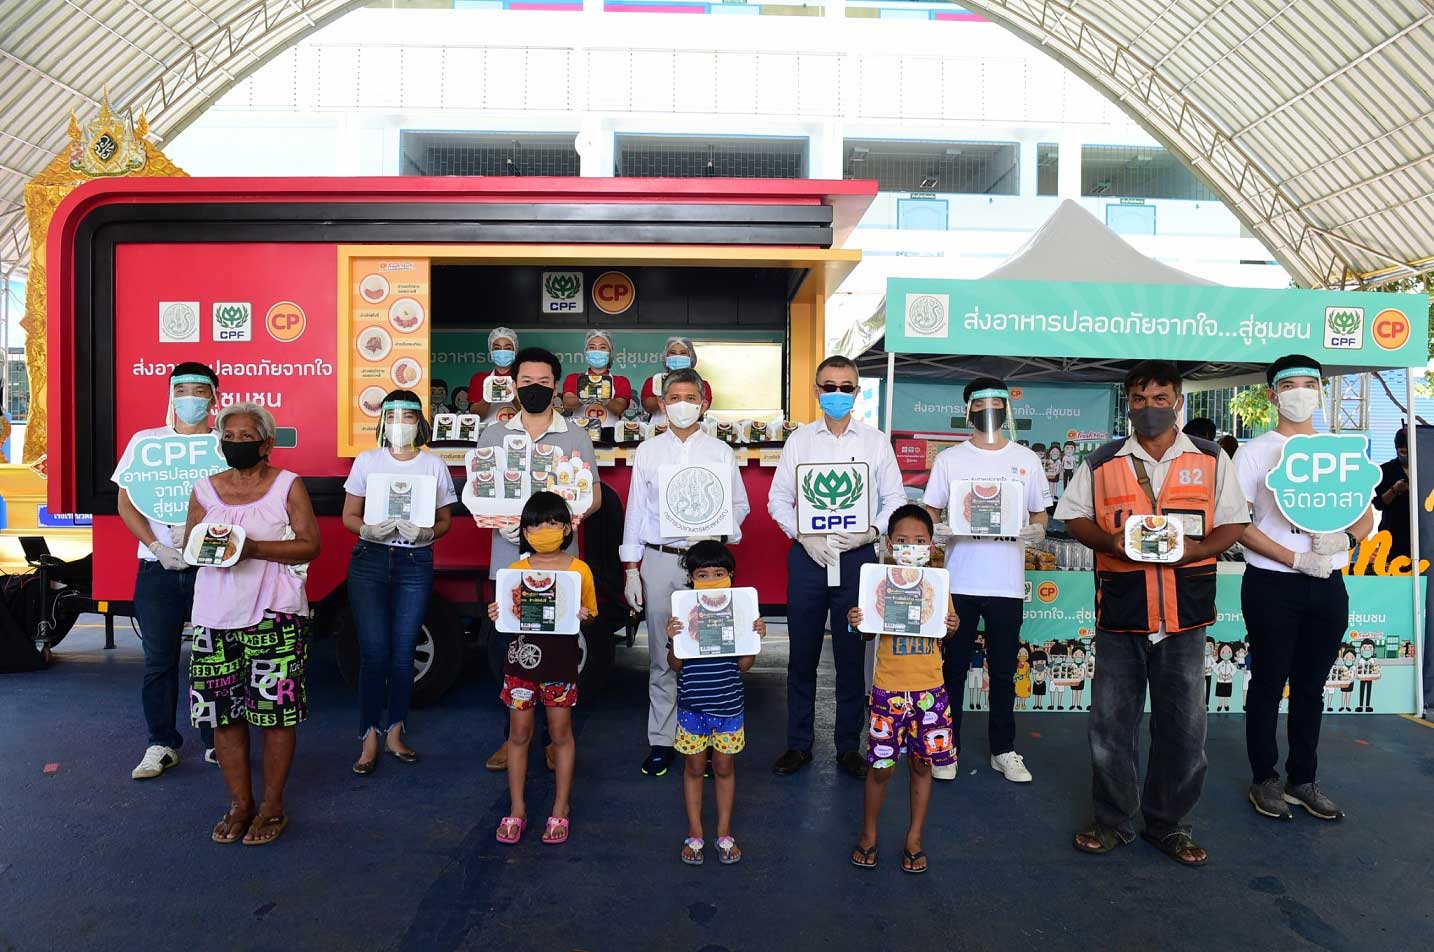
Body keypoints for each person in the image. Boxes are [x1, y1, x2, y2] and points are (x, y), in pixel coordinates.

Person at [1058, 360, 1248, 867]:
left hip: (1185, 615)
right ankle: (1114, 821)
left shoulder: (1211, 459)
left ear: (1178, 402)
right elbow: (1073, 517)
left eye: (1159, 399)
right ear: (1129, 404)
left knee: (1185, 730)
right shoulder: (1101, 462)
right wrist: (1110, 540)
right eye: (1139, 400)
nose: (1149, 409)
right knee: (1111, 728)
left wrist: (1197, 549)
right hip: (1122, 613)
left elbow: (1234, 521)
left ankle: (1169, 825)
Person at [1235, 355, 1373, 822]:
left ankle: (1303, 779)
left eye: (1308, 384)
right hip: (1273, 583)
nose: (1299, 392)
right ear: (1272, 394)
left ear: (1321, 391)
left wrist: (1347, 538)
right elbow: (1236, 522)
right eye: (1289, 385)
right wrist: (1294, 557)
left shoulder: (1340, 451)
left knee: (1312, 686)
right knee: (1269, 682)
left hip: (1330, 583)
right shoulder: (1254, 452)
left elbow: (1365, 512)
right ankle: (1264, 778)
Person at [185, 402, 320, 845]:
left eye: (247, 437)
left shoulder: (287, 486)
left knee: (276, 716)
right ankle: (240, 804)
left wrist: (252, 548)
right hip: (214, 616)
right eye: (230, 436)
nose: (236, 443)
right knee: (223, 717)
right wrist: (214, 547)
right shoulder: (204, 489)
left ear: (266, 443)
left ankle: (272, 807)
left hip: (274, 615)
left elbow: (309, 546)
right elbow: (192, 545)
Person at [767, 355, 906, 779]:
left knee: (850, 655)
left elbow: (895, 500)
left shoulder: (875, 442)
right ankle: (798, 744)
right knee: (802, 654)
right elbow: (777, 500)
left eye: (846, 387)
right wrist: (802, 535)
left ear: (858, 392)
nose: (838, 394)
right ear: (816, 391)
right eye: (830, 387)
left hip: (857, 559)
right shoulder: (800, 441)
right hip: (808, 559)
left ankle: (849, 745)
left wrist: (870, 532)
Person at [621, 368, 750, 778]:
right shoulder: (648, 451)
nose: (682, 404)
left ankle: (710, 740)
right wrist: (630, 567)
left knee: (710, 653)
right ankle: (662, 741)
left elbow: (740, 506)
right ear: (662, 403)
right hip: (660, 558)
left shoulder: (720, 452)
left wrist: (717, 529)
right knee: (664, 652)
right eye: (674, 396)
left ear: (703, 403)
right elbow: (636, 510)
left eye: (690, 397)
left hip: (707, 565)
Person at [478, 348, 600, 773]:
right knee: (506, 647)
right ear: (513, 383)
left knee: (560, 651)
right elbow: (482, 490)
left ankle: (554, 740)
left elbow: (593, 495)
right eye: (525, 380)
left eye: (543, 382)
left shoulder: (575, 436)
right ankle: (511, 737)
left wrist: (561, 528)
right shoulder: (494, 434)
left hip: (560, 565)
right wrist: (503, 524)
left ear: (556, 385)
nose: (533, 388)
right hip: (508, 560)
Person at [922, 377, 1049, 783]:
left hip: (1006, 584)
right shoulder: (950, 460)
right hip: (960, 581)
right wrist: (935, 528)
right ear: (968, 410)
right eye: (981, 404)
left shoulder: (1025, 459)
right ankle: (947, 747)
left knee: (1004, 672)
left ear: (1007, 407)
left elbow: (1040, 514)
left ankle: (1004, 749)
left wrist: (1037, 531)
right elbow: (929, 510)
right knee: (953, 668)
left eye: (997, 402)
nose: (989, 409)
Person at [342, 391, 457, 774]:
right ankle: (368, 734)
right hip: (370, 560)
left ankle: (395, 730)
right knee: (373, 653)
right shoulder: (368, 461)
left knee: (404, 651)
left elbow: (445, 520)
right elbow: (348, 516)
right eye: (393, 416)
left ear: (420, 422)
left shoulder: (432, 465)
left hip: (414, 560)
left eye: (409, 417)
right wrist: (367, 528)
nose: (401, 424)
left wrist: (428, 535)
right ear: (383, 421)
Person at [115, 362, 220, 779]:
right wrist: (155, 545)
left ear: (214, 396)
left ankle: (217, 741)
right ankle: (161, 744)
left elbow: (240, 507)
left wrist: (202, 537)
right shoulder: (146, 443)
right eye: (184, 390)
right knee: (158, 660)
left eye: (200, 391)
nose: (191, 399)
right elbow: (126, 502)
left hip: (211, 568)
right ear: (171, 395)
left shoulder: (223, 445)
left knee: (215, 658)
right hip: (157, 569)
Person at [846, 505, 960, 874]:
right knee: (880, 769)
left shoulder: (938, 584)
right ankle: (869, 834)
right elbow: (866, 633)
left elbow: (947, 631)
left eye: (920, 541)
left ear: (931, 545)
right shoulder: (880, 583)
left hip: (931, 692)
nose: (911, 546)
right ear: (889, 545)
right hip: (887, 692)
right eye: (902, 540)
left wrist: (953, 624)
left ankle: (914, 838)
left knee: (922, 765)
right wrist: (857, 621)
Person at [488, 491, 597, 846]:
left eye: (552, 522)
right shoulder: (514, 572)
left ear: (567, 527)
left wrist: (584, 615)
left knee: (561, 733)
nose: (543, 530)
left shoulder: (579, 570)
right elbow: (507, 618)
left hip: (561, 665)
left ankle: (560, 808)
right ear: (524, 530)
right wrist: (497, 613)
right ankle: (517, 809)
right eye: (534, 523)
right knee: (518, 735)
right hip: (520, 665)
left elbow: (591, 613)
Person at [666, 541, 765, 865]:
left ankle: (724, 833)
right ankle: (695, 833)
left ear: (730, 576)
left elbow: (744, 665)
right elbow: (675, 665)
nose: (710, 578)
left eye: (718, 573)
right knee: (694, 769)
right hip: (692, 707)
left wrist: (754, 637)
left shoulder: (739, 614)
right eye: (702, 573)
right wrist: (675, 637)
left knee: (724, 768)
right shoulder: (682, 614)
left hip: (729, 708)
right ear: (691, 578)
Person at [562, 329, 632, 430]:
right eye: (592, 347)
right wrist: (585, 397)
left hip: (610, 437)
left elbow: (619, 409)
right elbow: (567, 404)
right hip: (580, 435)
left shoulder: (621, 381)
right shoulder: (573, 378)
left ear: (610, 352)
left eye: (603, 347)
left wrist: (604, 398)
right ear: (586, 352)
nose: (597, 351)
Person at [639, 337, 714, 426]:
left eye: (683, 353)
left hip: (690, 430)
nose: (678, 357)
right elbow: (648, 406)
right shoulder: (654, 381)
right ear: (666, 357)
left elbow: (700, 409)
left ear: (691, 357)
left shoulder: (702, 384)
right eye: (673, 353)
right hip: (658, 430)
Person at [1372, 427, 1412, 561]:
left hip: (1422, 533)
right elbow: (1379, 504)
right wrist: (1395, 489)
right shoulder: (1385, 470)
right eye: (1402, 452)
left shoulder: (1425, 469)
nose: (1405, 455)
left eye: (1408, 452)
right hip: (1392, 533)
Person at [468, 327, 520, 424]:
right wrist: (488, 396)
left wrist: (513, 396)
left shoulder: (524, 378)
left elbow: (531, 413)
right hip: (488, 433)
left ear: (515, 351)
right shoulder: (480, 379)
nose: (502, 352)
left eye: (508, 348)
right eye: (497, 348)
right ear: (491, 352)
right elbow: (475, 415)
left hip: (518, 434)